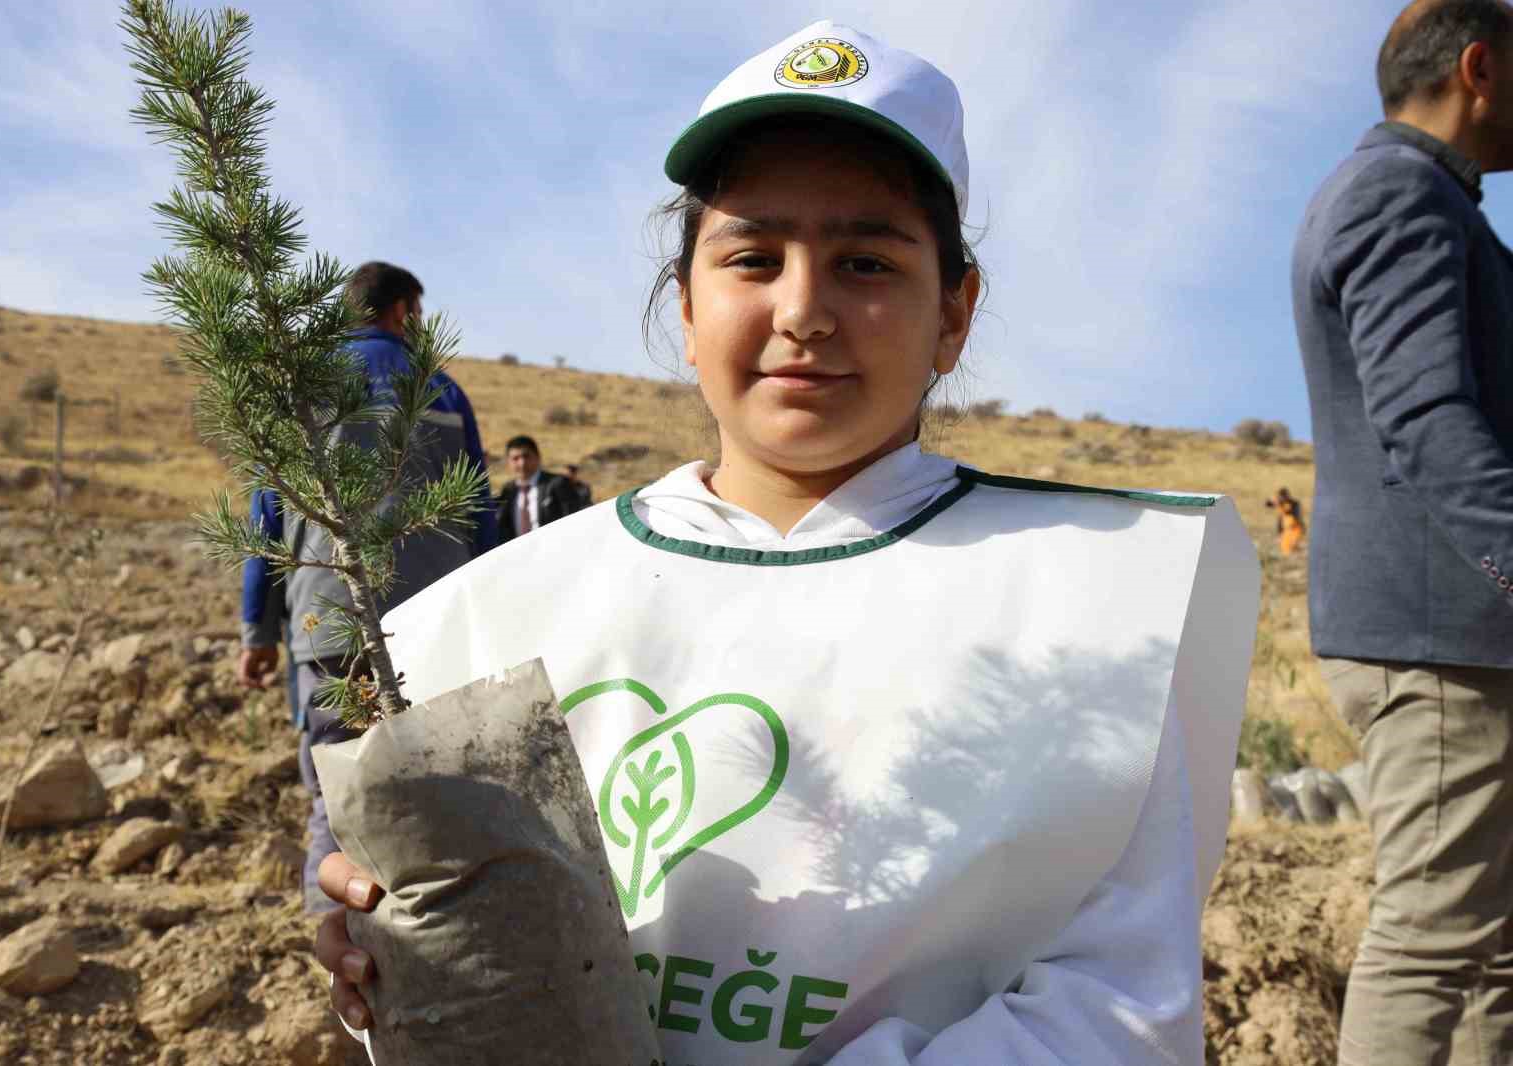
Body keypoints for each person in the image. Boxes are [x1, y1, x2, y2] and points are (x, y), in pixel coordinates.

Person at [315, 22, 1260, 1064]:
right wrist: (397, 974)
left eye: (863, 261)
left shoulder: (1085, 595)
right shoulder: (494, 613)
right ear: (686, 305)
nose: (803, 310)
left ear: (954, 311)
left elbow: (1120, 1003)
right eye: (753, 258)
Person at [1291, 1, 1513, 1061]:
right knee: (1431, 940)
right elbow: (1425, 419)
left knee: (1492, 946)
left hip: (1456, 636)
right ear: (1479, 67)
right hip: (1435, 640)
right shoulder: (1400, 193)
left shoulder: (1423, 196)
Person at [235, 260, 496, 913]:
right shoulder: (440, 391)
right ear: (403, 311)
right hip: (435, 627)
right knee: (435, 792)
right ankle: (429, 942)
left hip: (323, 623)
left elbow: (267, 521)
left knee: (338, 791)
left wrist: (257, 631)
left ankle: (339, 953)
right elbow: (481, 516)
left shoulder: (299, 395)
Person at [494, 434, 585, 541]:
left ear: (538, 457)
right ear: (508, 463)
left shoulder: (557, 484)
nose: (522, 463)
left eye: (526, 456)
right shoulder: (508, 490)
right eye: (515, 458)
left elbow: (574, 520)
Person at [1264, 487, 1306, 555]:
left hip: (1295, 528)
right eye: (1280, 497)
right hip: (1285, 531)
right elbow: (1267, 504)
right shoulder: (1279, 503)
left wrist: (1302, 527)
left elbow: (1297, 515)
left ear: (1287, 496)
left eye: (1283, 497)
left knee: (1291, 547)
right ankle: (1300, 554)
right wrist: (1271, 500)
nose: (1282, 499)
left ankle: (1301, 554)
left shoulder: (1294, 503)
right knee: (1286, 550)